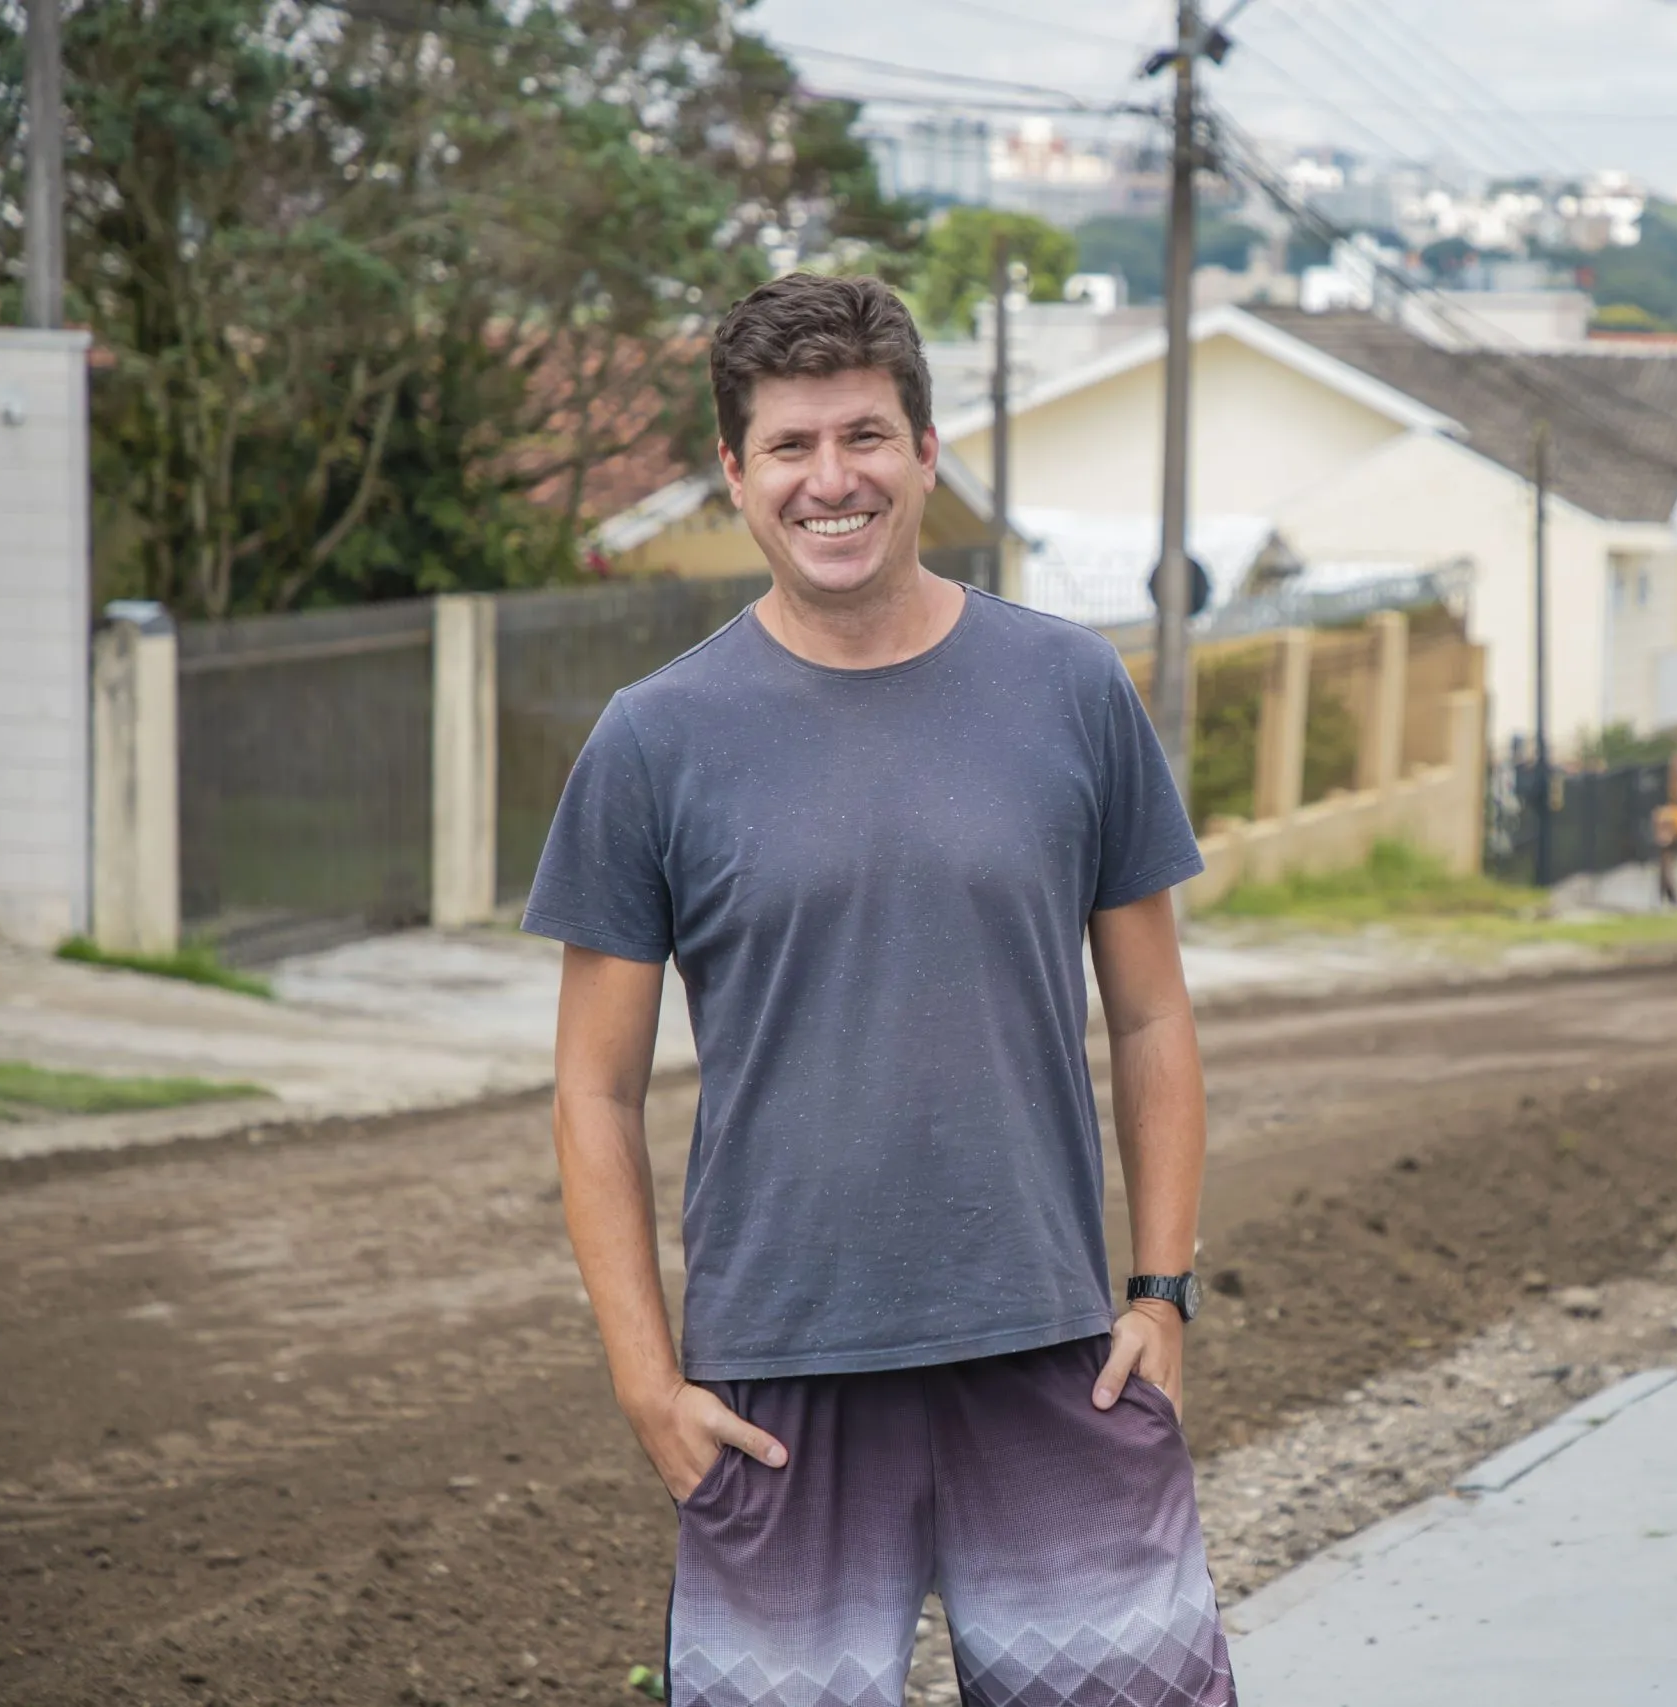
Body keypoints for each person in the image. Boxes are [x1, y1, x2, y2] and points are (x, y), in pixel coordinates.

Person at [527, 273, 1233, 1707]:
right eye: (789, 446)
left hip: (1053, 1359)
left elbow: (1155, 1014)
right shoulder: (653, 741)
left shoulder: (1072, 689)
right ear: (736, 474)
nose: (831, 479)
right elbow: (592, 1091)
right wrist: (646, 1381)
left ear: (923, 451)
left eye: (863, 436)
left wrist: (1161, 1294)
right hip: (774, 1388)